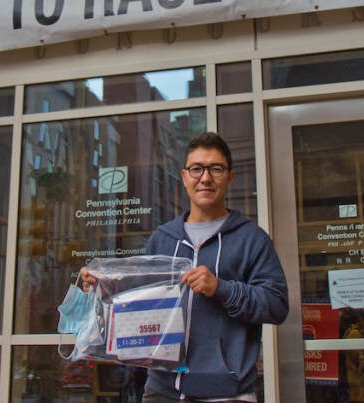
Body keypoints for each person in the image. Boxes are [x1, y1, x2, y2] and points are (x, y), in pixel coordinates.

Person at [83, 131, 290, 402]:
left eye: (216, 169)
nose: (205, 177)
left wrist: (221, 288)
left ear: (230, 177)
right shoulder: (163, 238)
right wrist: (104, 289)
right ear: (184, 177)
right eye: (196, 169)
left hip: (226, 395)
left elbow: (276, 305)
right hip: (160, 391)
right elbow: (138, 303)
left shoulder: (252, 239)